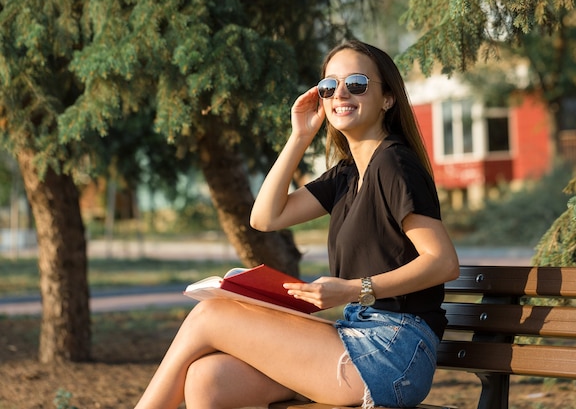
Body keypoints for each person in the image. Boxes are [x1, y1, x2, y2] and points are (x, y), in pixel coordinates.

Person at [134, 40, 459, 409]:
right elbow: (265, 217)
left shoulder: (394, 164)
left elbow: (443, 262)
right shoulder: (348, 175)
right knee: (208, 380)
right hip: (355, 335)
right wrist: (300, 135)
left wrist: (353, 289)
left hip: (394, 350)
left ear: (387, 99)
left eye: (356, 83)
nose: (340, 93)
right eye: (328, 86)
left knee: (210, 315)